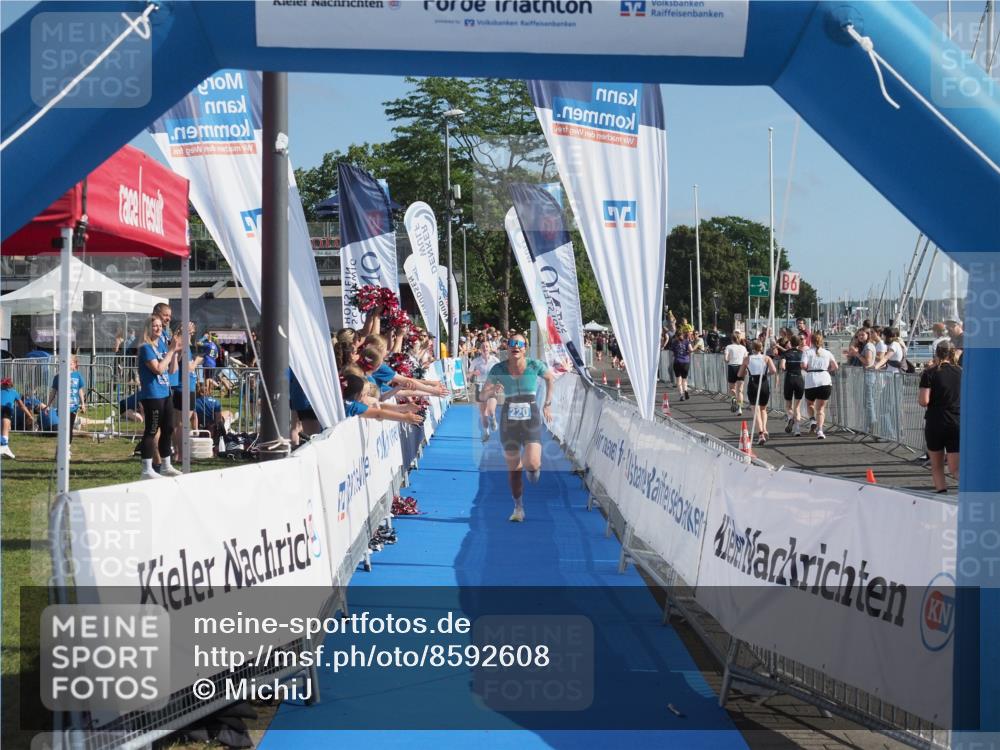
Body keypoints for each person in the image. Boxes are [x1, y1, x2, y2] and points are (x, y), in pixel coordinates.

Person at [478, 334, 555, 523]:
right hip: (509, 419)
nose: (516, 347)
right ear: (507, 347)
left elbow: (550, 378)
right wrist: (492, 390)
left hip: (531, 416)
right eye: (512, 343)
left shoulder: (534, 365)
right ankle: (518, 507)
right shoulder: (499, 368)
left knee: (533, 463)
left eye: (520, 344)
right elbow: (482, 395)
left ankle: (531, 467)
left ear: (525, 348)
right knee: (513, 470)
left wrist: (547, 404)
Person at [137, 315, 182, 479]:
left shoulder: (162, 344)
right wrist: (171, 351)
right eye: (154, 326)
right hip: (152, 394)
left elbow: (171, 370)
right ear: (148, 328)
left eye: (159, 326)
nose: (158, 328)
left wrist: (175, 352)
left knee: (168, 429)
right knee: (151, 430)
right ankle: (147, 469)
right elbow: (158, 369)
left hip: (165, 393)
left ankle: (166, 465)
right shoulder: (145, 348)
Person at [918, 341, 961, 493]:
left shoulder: (930, 373)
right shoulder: (962, 372)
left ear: (936, 353)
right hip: (956, 421)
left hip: (935, 421)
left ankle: (941, 494)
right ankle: (970, 492)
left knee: (937, 466)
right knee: (956, 468)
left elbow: (924, 401)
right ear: (952, 353)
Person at [42, 354, 86, 456]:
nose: (68, 365)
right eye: (65, 363)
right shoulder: (58, 377)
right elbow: (53, 392)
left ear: (74, 365)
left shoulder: (77, 376)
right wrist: (48, 405)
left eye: (70, 363)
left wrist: (83, 404)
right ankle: (61, 448)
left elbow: (80, 390)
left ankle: (67, 448)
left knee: (69, 428)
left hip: (73, 407)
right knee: (63, 429)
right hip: (62, 408)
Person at [801, 332, 838, 440]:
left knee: (810, 404)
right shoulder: (827, 353)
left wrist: (808, 369)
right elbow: (835, 366)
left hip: (811, 380)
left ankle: (812, 419)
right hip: (824, 380)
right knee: (821, 409)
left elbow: (803, 365)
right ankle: (820, 430)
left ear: (811, 341)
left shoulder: (807, 352)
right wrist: (827, 370)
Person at [739, 341, 777, 444]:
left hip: (753, 383)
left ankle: (761, 434)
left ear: (752, 348)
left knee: (755, 410)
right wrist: (766, 374)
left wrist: (746, 371)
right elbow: (773, 370)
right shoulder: (766, 358)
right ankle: (764, 429)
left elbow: (739, 374)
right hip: (763, 382)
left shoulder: (747, 359)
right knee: (763, 409)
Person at [469, 344, 500, 442]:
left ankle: (493, 418)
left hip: (491, 387)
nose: (485, 348)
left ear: (490, 349)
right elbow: (468, 374)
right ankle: (486, 433)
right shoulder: (475, 361)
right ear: (480, 349)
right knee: (483, 413)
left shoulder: (495, 360)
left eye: (486, 347)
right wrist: (473, 373)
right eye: (483, 347)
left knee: (490, 410)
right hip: (480, 387)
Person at [1, 378, 34, 459]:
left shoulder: (12, 392)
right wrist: (29, 415)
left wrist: (29, 415)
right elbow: (22, 406)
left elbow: (22, 406)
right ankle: (4, 447)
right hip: (6, 410)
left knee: (6, 429)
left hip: (5, 410)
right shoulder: (14, 392)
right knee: (5, 429)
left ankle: (4, 447)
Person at [780, 335, 805, 435]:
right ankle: (797, 430)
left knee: (788, 405)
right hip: (799, 378)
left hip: (789, 378)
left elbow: (782, 366)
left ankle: (790, 417)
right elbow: (804, 365)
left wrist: (786, 368)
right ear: (799, 343)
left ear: (790, 342)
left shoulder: (786, 353)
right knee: (797, 407)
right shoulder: (802, 353)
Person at [723, 331, 748, 415]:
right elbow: (746, 360)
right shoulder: (743, 348)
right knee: (740, 391)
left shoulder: (728, 347)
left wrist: (729, 358)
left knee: (732, 389)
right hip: (741, 367)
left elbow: (726, 359)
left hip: (732, 367)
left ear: (731, 339)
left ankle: (734, 399)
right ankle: (740, 408)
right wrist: (746, 369)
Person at [669, 328, 693, 401]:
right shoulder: (686, 342)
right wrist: (687, 353)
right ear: (682, 335)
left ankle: (681, 395)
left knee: (678, 380)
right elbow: (691, 350)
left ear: (676, 336)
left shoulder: (674, 343)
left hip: (677, 362)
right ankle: (685, 390)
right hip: (685, 362)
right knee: (684, 379)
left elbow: (672, 354)